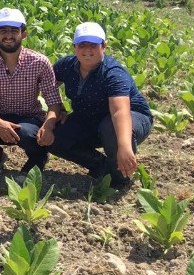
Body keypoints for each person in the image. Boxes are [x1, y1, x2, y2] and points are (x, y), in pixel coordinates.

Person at [40, 22, 153, 189]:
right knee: (53, 135)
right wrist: (59, 110)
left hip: (130, 118)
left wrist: (124, 147)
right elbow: (48, 86)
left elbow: (119, 112)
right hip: (89, 119)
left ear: (104, 46)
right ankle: (101, 166)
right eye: (82, 45)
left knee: (111, 127)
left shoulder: (112, 73)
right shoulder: (67, 65)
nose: (87, 50)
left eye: (93, 45)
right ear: (74, 47)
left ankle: (120, 178)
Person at [0, 8, 64, 176]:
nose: (8, 35)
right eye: (3, 30)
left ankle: (38, 157)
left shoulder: (40, 62)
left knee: (27, 133)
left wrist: (49, 124)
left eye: (14, 30)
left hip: (29, 119)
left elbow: (53, 102)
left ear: (23, 34)